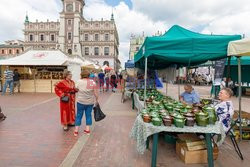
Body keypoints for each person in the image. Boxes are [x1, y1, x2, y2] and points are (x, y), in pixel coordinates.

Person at [74, 72, 98, 136]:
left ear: (81, 75)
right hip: (90, 102)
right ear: (89, 75)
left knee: (79, 115)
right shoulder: (92, 82)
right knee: (88, 115)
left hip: (80, 101)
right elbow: (95, 93)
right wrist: (97, 100)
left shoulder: (78, 81)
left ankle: (76, 131)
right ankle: (87, 130)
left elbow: (76, 89)